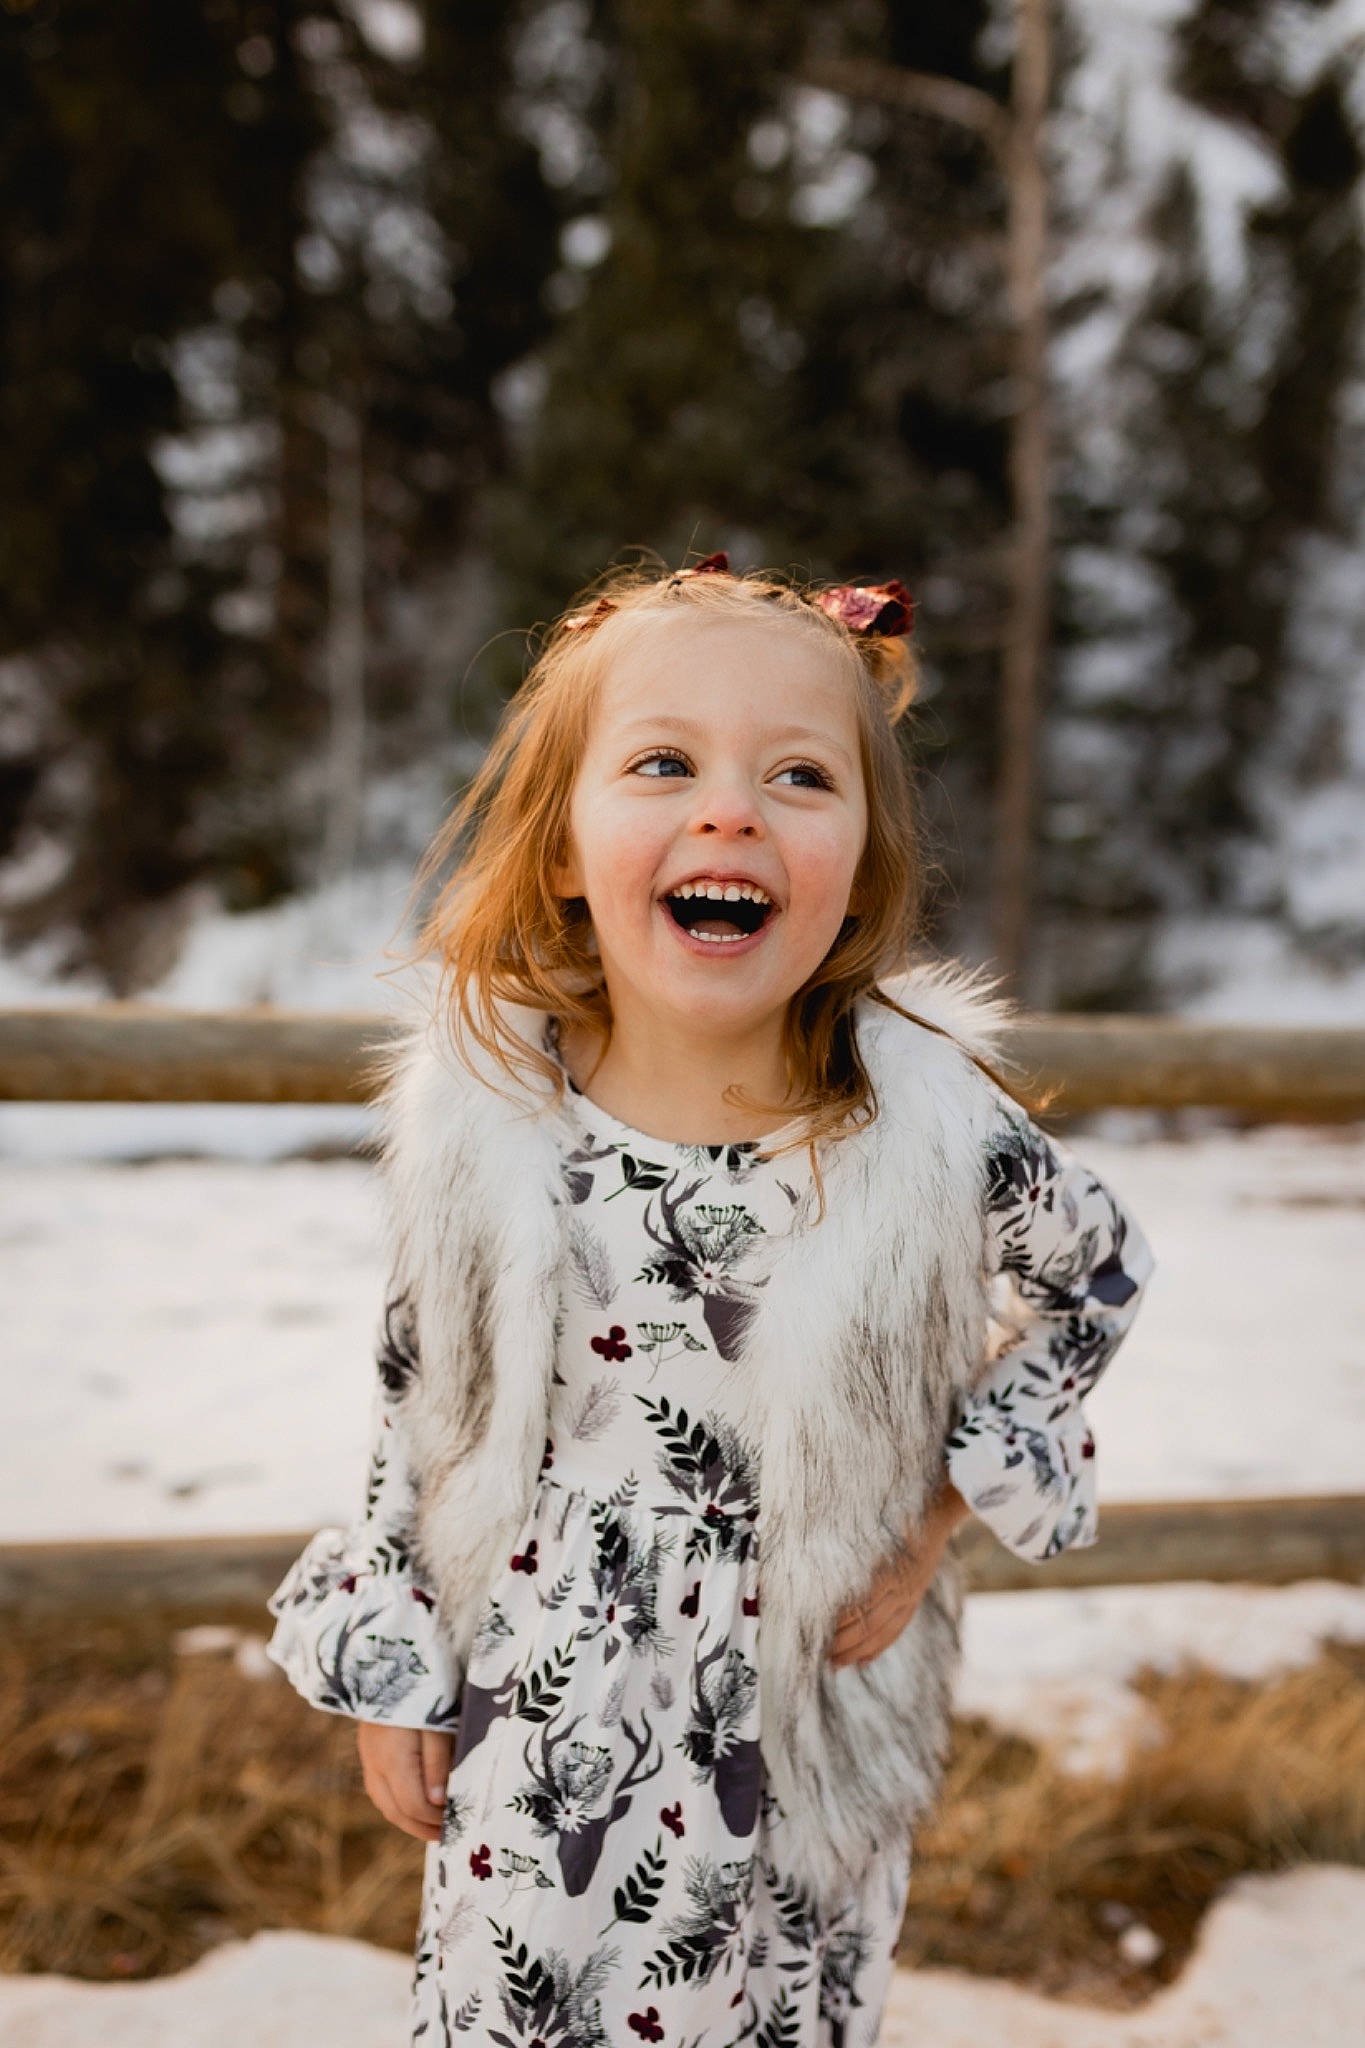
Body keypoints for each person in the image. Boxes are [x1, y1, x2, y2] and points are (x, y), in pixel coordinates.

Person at [266, 554, 1153, 2047]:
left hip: (803, 1698)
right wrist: (396, 1654)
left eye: (797, 775)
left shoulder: (930, 1132)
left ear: (863, 864)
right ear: (561, 847)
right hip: (546, 1693)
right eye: (663, 764)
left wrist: (940, 1499)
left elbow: (1097, 1279)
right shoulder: (493, 1117)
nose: (727, 810)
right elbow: (426, 1386)